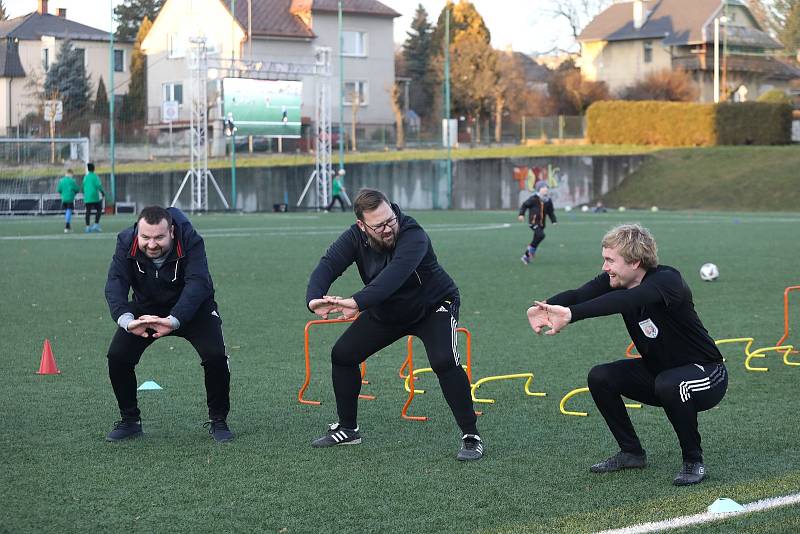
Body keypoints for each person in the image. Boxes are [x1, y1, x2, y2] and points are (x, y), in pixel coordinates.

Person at [527, 223, 727, 486]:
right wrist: (546, 308)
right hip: (659, 373)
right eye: (604, 259)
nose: (604, 267)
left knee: (670, 383)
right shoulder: (616, 281)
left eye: (610, 260)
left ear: (634, 262)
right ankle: (632, 453)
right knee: (601, 376)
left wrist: (572, 315)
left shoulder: (667, 280)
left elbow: (627, 301)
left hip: (707, 374)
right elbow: (578, 294)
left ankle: (693, 460)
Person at [306, 188, 483, 461]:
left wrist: (356, 302)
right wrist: (314, 300)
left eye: (390, 219)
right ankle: (348, 428)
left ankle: (471, 436)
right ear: (362, 226)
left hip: (433, 306)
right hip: (388, 309)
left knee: (444, 360)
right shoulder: (355, 237)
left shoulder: (413, 234)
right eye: (379, 226)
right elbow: (328, 265)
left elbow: (395, 275)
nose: (388, 228)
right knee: (343, 355)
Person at [103, 206, 234, 443]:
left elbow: (197, 283)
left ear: (172, 231)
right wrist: (127, 321)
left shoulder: (191, 240)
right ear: (137, 232)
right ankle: (130, 420)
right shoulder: (125, 241)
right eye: (145, 237)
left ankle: (218, 419)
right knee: (118, 357)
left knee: (215, 356)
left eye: (159, 237)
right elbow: (116, 282)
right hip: (146, 309)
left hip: (193, 309)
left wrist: (174, 320)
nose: (151, 244)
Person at [518, 185, 557, 264]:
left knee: (537, 238)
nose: (546, 189)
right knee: (541, 235)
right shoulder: (534, 198)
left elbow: (550, 212)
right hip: (533, 222)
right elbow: (524, 205)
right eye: (543, 188)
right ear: (539, 189)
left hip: (541, 223)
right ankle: (526, 255)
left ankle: (530, 252)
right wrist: (521, 214)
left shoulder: (548, 200)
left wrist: (553, 220)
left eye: (546, 188)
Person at [82, 162, 105, 233]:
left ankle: (87, 227)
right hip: (94, 196)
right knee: (99, 209)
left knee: (88, 211)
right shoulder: (95, 177)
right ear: (94, 169)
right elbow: (99, 185)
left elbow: (83, 186)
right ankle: (96, 224)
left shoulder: (85, 177)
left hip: (87, 197)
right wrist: (102, 192)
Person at [56, 169, 80, 233]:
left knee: (67, 211)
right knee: (69, 211)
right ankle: (66, 226)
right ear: (70, 174)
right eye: (72, 175)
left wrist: (63, 194)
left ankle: (68, 227)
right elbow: (77, 189)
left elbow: (59, 190)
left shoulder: (61, 181)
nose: (72, 176)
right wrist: (74, 193)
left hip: (64, 199)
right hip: (70, 198)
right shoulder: (72, 181)